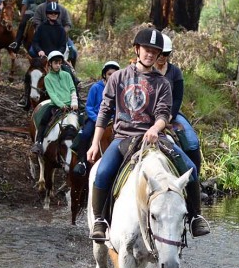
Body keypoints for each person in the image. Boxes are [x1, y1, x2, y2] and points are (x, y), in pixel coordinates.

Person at [87, 28, 211, 241]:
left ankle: (195, 217)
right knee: (103, 171)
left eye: (155, 51)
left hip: (155, 137)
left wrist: (155, 128)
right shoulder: (118, 77)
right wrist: (94, 142)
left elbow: (164, 113)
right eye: (147, 49)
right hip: (123, 137)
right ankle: (100, 220)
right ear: (137, 49)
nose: (150, 54)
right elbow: (104, 111)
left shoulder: (162, 83)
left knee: (190, 168)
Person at [155, 33, 203, 174]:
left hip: (172, 113)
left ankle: (196, 180)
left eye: (166, 53)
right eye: (161, 53)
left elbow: (177, 98)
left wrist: (169, 116)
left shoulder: (175, 72)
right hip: (149, 113)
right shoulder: (146, 70)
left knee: (192, 141)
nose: (163, 56)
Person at [72, 60, 120, 176]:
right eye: (109, 74)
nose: (111, 77)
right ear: (104, 74)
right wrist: (97, 119)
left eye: (114, 74)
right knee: (86, 134)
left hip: (112, 120)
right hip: (95, 118)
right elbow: (89, 107)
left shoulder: (120, 89)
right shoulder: (96, 87)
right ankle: (82, 161)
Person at [31, 51, 78, 155]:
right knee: (43, 120)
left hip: (71, 105)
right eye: (55, 63)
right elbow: (52, 95)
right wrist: (61, 105)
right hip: (56, 106)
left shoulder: (66, 75)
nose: (57, 65)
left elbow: (72, 88)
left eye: (59, 63)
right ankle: (38, 142)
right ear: (50, 64)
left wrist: (74, 101)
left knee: (83, 120)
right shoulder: (47, 78)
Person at [28, 0, 78, 65]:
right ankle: (39, 66)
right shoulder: (40, 8)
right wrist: (44, 30)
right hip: (43, 35)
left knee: (73, 51)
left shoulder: (63, 9)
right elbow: (36, 21)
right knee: (32, 51)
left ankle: (72, 70)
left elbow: (68, 24)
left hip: (60, 35)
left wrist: (62, 32)